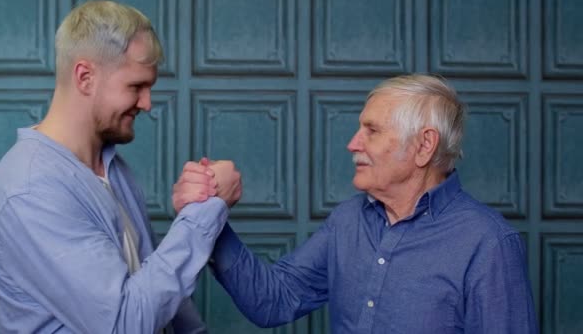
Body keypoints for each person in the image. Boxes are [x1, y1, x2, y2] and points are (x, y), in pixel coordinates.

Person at [0, 0, 241, 333]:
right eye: (136, 87)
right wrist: (206, 212)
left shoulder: (111, 167)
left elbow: (155, 288)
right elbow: (123, 322)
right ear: (85, 77)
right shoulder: (30, 190)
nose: (147, 104)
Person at [202, 74, 539, 333]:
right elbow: (274, 300)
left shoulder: (488, 242)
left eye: (372, 131)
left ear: (424, 146)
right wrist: (209, 213)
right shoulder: (348, 220)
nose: (352, 144)